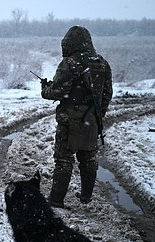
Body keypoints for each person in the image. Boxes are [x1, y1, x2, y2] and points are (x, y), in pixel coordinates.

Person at [41, 26, 112, 208]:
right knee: (88, 158)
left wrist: (45, 90)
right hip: (91, 119)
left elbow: (57, 91)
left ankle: (56, 200)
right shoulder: (102, 63)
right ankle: (86, 197)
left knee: (63, 159)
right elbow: (106, 94)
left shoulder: (70, 62)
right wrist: (97, 115)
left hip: (69, 120)